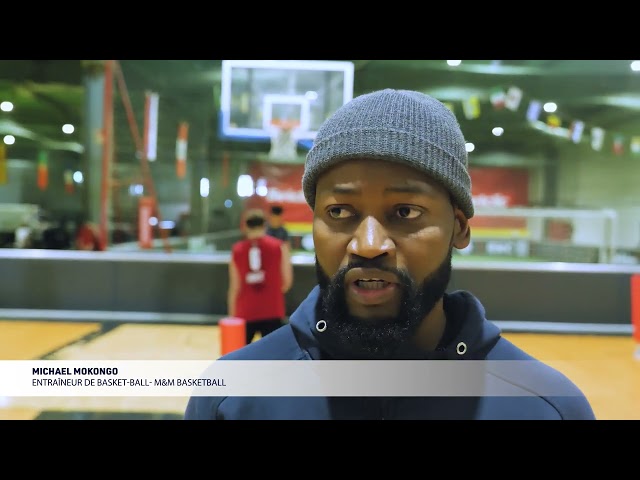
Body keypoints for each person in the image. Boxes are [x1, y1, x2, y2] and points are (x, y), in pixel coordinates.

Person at [185, 88, 596, 420]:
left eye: (405, 212)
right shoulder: (229, 398)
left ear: (460, 227)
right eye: (339, 212)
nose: (367, 245)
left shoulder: (548, 407)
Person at [228, 208, 293, 345]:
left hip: (245, 311)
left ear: (245, 226)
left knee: (241, 359)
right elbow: (286, 281)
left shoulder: (237, 250)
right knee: (272, 358)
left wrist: (232, 316)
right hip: (272, 310)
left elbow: (235, 287)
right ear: (265, 225)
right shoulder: (279, 247)